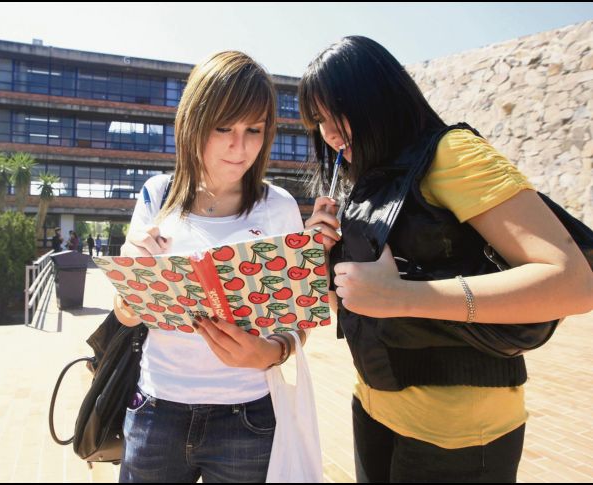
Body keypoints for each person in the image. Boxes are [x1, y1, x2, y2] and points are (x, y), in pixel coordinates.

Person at [298, 36, 593, 483]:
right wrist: (323, 263)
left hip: (458, 432)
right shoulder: (370, 181)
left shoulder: (452, 153)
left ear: (377, 98)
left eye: (338, 112)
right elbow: (365, 309)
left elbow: (572, 281)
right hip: (375, 408)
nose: (330, 133)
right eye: (318, 120)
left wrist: (403, 296)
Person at [112, 51, 309, 483]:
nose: (240, 148)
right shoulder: (155, 195)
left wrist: (271, 352)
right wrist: (133, 281)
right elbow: (126, 313)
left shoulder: (280, 208)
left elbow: (298, 320)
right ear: (194, 122)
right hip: (157, 409)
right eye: (224, 128)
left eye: (253, 130)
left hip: (247, 416)